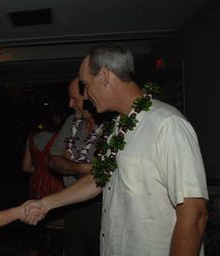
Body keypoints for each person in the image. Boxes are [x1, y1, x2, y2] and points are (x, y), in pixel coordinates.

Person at [25, 44, 209, 256]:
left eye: (85, 85)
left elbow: (194, 214)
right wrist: (45, 204)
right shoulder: (117, 128)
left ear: (104, 76)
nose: (85, 95)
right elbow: (99, 178)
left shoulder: (167, 124)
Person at [48, 77, 101, 255]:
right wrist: (84, 168)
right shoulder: (72, 121)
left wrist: (68, 164)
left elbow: (102, 177)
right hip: (71, 206)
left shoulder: (113, 125)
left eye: (74, 99)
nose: (70, 104)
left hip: (100, 209)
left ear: (88, 97)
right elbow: (52, 160)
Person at [22, 101, 65, 256]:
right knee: (57, 234)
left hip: (36, 185)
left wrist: (39, 168)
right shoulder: (59, 138)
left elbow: (26, 167)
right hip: (55, 185)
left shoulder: (31, 138)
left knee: (38, 228)